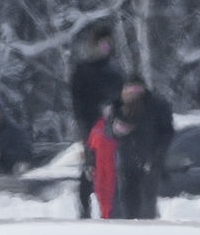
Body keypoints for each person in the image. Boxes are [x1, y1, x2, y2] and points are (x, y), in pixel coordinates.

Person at [69, 23, 122, 218]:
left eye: (109, 43)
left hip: (111, 128)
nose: (106, 47)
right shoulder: (83, 70)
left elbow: (120, 99)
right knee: (89, 168)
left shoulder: (115, 72)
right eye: (102, 43)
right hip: (90, 126)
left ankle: (111, 210)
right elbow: (78, 102)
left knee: (110, 170)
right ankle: (85, 210)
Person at [109, 78, 175, 219]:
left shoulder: (156, 106)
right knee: (128, 198)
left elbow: (167, 132)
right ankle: (131, 228)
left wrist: (157, 153)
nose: (132, 93)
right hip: (126, 160)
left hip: (149, 158)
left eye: (136, 89)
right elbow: (109, 131)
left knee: (147, 198)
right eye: (129, 89)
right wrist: (118, 130)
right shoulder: (118, 106)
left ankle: (147, 230)